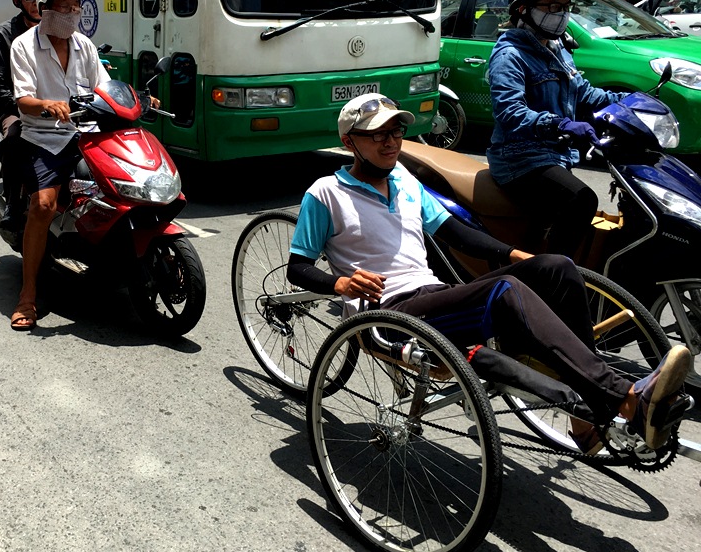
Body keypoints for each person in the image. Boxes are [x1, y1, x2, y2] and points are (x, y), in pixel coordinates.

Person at [288, 93, 693, 453]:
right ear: (349, 142)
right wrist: (340, 282)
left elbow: (454, 232)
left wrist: (511, 252)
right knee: (505, 291)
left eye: (395, 131)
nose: (390, 141)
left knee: (557, 267)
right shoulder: (325, 194)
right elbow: (299, 268)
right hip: (389, 314)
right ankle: (623, 398)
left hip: (432, 294)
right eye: (376, 135)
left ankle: (586, 409)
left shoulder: (404, 181)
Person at [486, 0, 623, 258]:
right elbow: (510, 112)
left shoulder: (557, 50)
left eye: (565, 8)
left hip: (556, 156)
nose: (561, 14)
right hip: (520, 160)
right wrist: (559, 124)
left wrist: (625, 102)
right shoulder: (509, 55)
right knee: (582, 199)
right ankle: (551, 277)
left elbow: (583, 93)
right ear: (523, 9)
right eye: (552, 7)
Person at [7, 0, 110, 330]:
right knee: (43, 206)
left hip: (86, 133)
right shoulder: (22, 46)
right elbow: (22, 99)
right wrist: (47, 105)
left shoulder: (85, 46)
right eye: (63, 8)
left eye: (76, 7)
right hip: (44, 137)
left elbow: (103, 88)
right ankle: (28, 294)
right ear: (44, 9)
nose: (71, 14)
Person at [0, 0, 47, 231]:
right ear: (18, 1)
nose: (36, 3)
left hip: (58, 111)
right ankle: (13, 203)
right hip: (16, 110)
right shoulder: (1, 36)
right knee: (14, 139)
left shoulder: (61, 33)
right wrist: (26, 107)